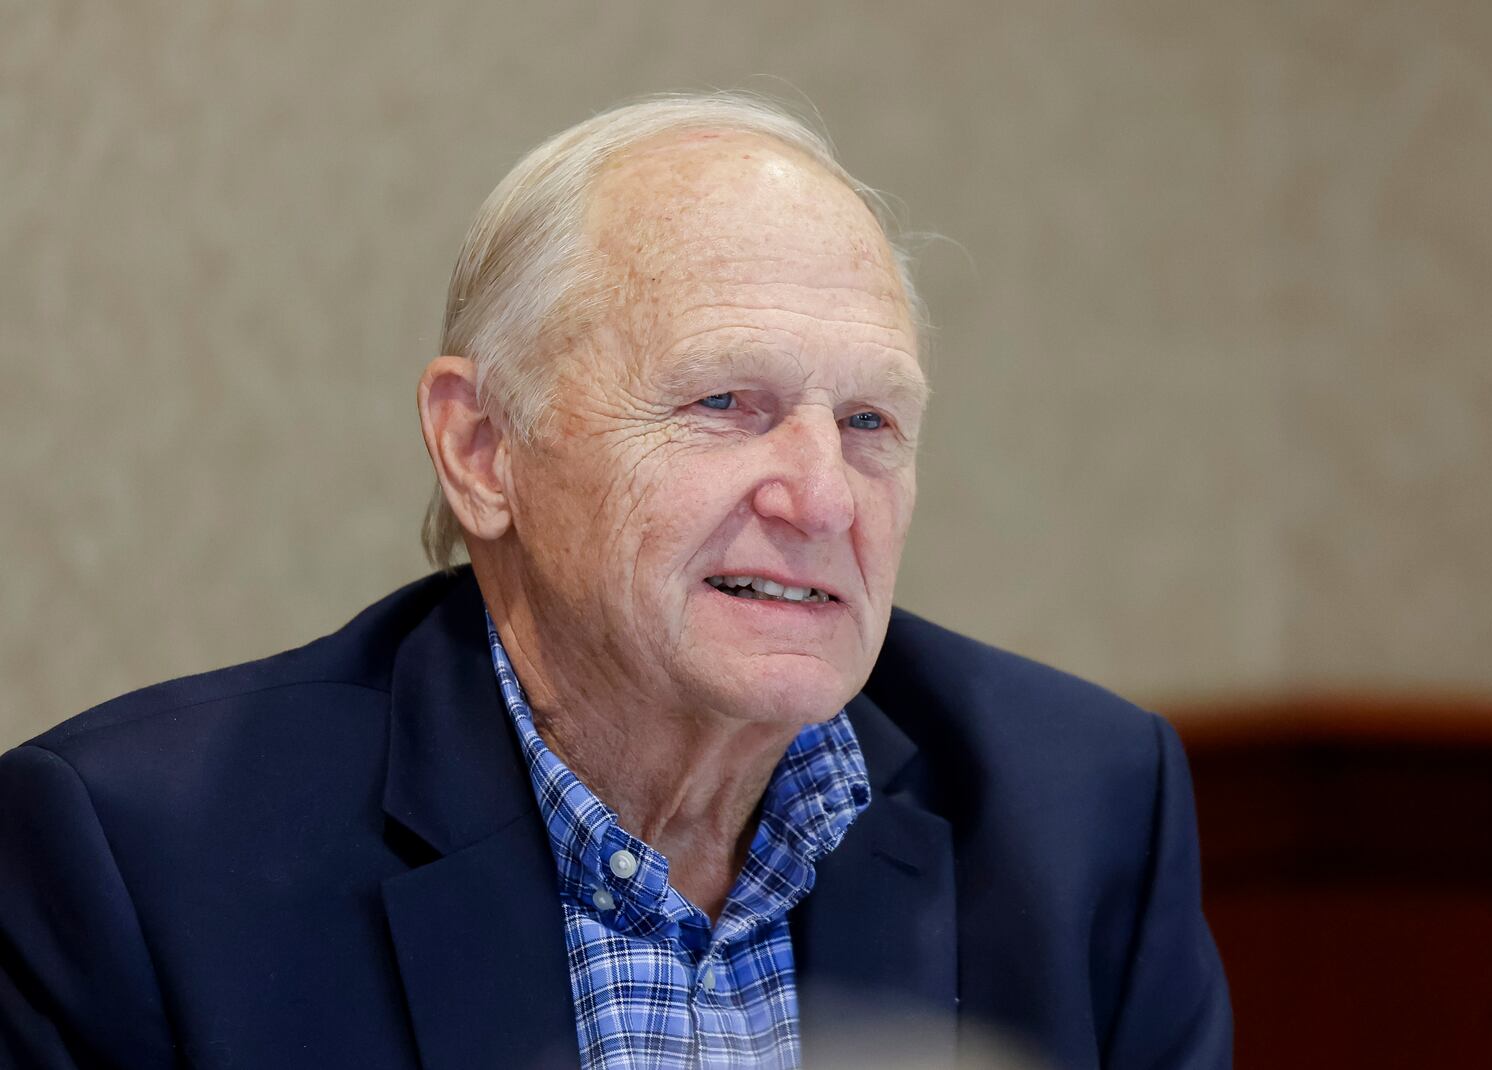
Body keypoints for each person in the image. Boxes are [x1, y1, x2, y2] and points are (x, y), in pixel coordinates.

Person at [0, 94, 1230, 1069]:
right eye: (722, 403)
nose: (820, 496)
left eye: (868, 419)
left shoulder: (1084, 812)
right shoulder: (136, 861)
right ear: (483, 449)